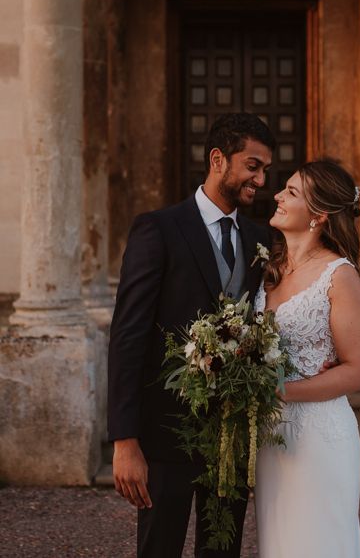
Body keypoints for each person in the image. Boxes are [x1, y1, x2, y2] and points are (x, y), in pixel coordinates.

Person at [107, 113, 275, 557]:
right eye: (253, 165)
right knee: (159, 548)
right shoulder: (157, 229)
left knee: (224, 550)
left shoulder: (262, 240)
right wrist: (125, 440)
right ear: (218, 159)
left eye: (265, 170)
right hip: (165, 435)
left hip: (232, 433)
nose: (260, 179)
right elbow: (128, 335)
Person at [253, 159, 360, 558]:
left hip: (320, 437)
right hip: (273, 439)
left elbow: (356, 372)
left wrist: (281, 389)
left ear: (318, 215)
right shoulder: (270, 269)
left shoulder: (339, 276)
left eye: (290, 192)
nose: (277, 196)